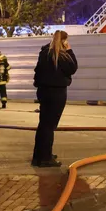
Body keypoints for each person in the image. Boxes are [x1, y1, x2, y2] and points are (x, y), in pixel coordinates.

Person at [32, 30, 77, 167]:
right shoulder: (62, 56)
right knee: (49, 126)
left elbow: (37, 71)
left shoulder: (44, 52)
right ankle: (45, 158)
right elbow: (73, 68)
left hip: (43, 91)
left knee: (43, 124)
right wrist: (69, 51)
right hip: (57, 92)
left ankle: (39, 156)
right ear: (64, 41)